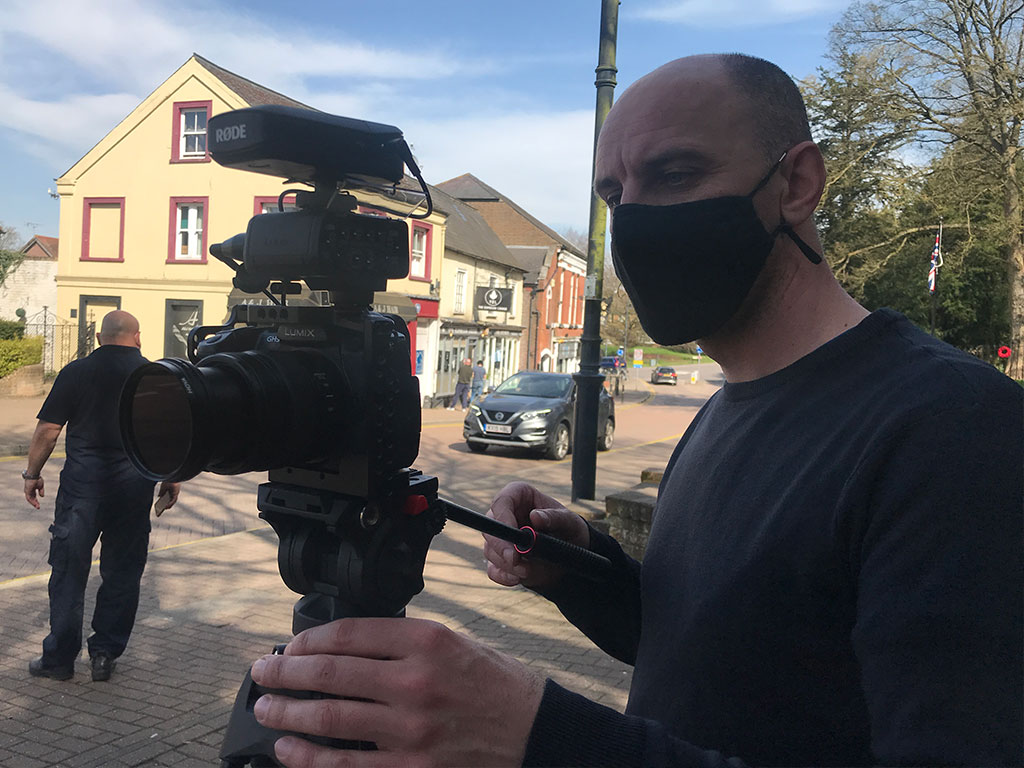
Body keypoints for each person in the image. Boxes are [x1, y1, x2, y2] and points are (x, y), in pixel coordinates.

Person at [244, 54, 1022, 767]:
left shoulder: (955, 430)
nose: (637, 220)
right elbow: (719, 654)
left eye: (676, 173)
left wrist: (537, 734)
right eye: (616, 195)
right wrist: (582, 568)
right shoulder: (727, 406)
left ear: (797, 183)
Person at [23, 310, 180, 683]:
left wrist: (32, 474)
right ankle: (105, 655)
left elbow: (48, 430)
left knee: (68, 572)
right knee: (123, 573)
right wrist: (171, 478)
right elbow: (172, 434)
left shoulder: (76, 372)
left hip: (82, 492)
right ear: (138, 337)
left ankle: (59, 660)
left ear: (97, 337)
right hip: (134, 489)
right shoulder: (154, 376)